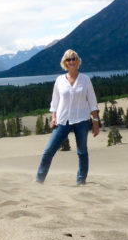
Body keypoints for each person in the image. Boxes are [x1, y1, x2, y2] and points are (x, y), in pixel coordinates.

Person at [36, 49, 99, 185]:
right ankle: (39, 180)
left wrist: (95, 122)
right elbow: (55, 102)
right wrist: (54, 118)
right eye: (69, 59)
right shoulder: (59, 80)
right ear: (65, 62)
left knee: (82, 152)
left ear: (78, 61)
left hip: (81, 120)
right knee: (48, 151)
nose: (72, 61)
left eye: (74, 58)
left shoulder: (85, 80)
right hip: (62, 120)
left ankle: (81, 181)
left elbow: (92, 102)